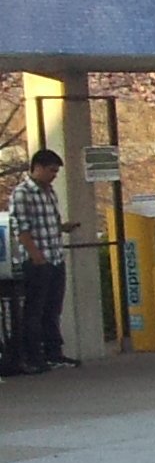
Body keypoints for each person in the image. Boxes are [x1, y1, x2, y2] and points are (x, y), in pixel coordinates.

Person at [8, 149, 73, 372]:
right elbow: (22, 228)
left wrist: (63, 228)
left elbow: (49, 222)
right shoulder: (22, 193)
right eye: (52, 171)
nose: (54, 176)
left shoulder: (50, 191)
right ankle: (34, 357)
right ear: (38, 167)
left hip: (55, 256)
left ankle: (55, 353)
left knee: (53, 309)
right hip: (38, 260)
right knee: (35, 310)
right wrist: (35, 255)